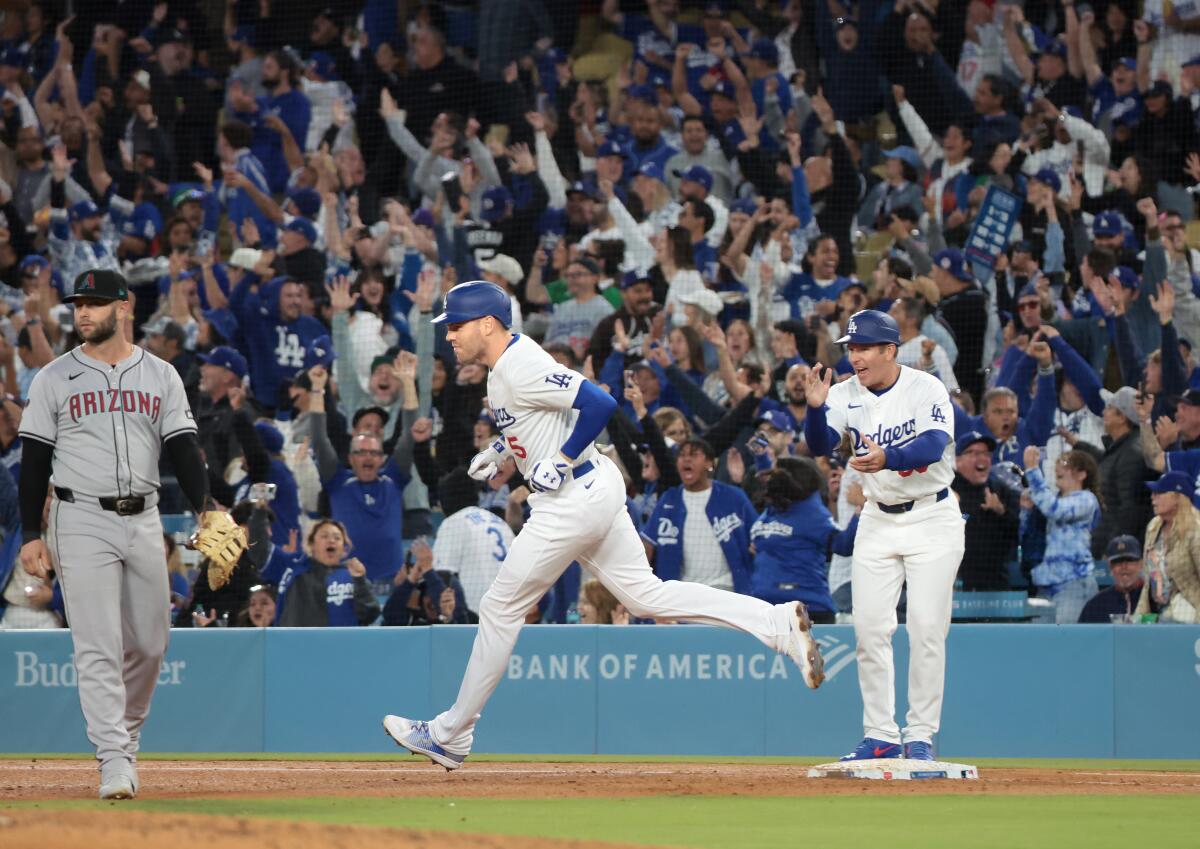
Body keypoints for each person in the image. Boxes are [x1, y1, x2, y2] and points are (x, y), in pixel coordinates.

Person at [383, 281, 826, 770]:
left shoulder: (519, 363)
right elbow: (540, 418)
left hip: (572, 498)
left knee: (498, 607)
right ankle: (777, 624)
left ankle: (450, 734)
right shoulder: (504, 366)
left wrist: (563, 457)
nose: (449, 335)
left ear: (487, 323)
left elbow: (599, 403)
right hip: (591, 490)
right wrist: (500, 450)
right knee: (645, 596)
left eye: (456, 325)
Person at [17, 269, 209, 800]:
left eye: (97, 304)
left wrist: (207, 508)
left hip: (144, 517)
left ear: (124, 309)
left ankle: (126, 737)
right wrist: (31, 534)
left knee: (150, 645)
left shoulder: (162, 375)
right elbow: (33, 462)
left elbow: (185, 450)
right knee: (98, 644)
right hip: (79, 519)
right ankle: (114, 759)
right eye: (80, 303)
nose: (84, 312)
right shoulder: (53, 378)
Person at [803, 309, 964, 762]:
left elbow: (933, 445)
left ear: (890, 350)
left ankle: (920, 735)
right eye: (851, 348)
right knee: (870, 630)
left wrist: (888, 456)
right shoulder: (843, 392)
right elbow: (818, 445)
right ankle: (880, 735)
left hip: (932, 518)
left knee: (927, 629)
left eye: (864, 348)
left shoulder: (924, 386)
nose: (856, 356)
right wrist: (815, 410)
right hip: (876, 517)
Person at [748, 457, 859, 622]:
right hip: (765, 607)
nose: (772, 476)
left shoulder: (811, 512)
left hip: (807, 607)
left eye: (777, 471)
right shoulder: (775, 507)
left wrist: (859, 512)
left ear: (794, 477)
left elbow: (842, 545)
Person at [1022, 446, 1103, 624]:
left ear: (1082, 474)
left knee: (1067, 643)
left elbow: (1055, 510)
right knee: (1040, 645)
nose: (1059, 467)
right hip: (1045, 585)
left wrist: (1033, 470)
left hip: (1073, 583)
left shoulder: (1086, 499)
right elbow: (1026, 534)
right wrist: (1026, 511)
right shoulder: (1052, 499)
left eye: (1067, 464)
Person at [276, 518, 380, 627]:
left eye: (337, 538)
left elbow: (370, 614)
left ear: (344, 548)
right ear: (311, 544)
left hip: (347, 642)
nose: (331, 541)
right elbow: (288, 618)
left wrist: (360, 580)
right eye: (324, 536)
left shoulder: (352, 575)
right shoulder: (298, 574)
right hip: (309, 642)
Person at [951, 430, 1019, 591]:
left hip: (995, 580)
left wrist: (1001, 511)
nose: (983, 458)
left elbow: (1016, 535)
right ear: (957, 460)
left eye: (986, 453)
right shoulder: (946, 489)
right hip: (955, 578)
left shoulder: (1001, 490)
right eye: (975, 453)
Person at [1136, 471, 1200, 624]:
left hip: (1187, 614)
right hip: (1156, 612)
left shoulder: (1195, 530)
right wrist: (1138, 618)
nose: (1153, 497)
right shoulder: (1153, 526)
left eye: (1159, 493)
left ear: (1177, 497)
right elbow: (1148, 580)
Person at [1078, 535, 1149, 623]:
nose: (1124, 566)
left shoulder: (1154, 599)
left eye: (1130, 560)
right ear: (1110, 566)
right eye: (1118, 562)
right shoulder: (1096, 606)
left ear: (1141, 563)